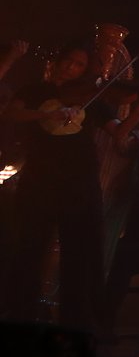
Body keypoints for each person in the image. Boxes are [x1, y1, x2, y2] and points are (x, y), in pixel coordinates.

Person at [1, 45, 107, 333]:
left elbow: (117, 132)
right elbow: (12, 113)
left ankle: (76, 323)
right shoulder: (35, 90)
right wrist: (48, 114)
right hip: (40, 180)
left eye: (79, 65)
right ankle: (20, 316)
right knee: (29, 250)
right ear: (58, 62)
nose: (71, 68)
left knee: (78, 255)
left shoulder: (89, 98)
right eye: (69, 61)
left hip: (78, 183)